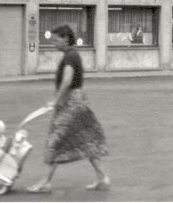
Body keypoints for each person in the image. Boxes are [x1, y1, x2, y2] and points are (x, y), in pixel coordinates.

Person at [26, 25, 110, 193]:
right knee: (86, 140)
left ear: (65, 38)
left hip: (70, 103)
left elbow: (67, 81)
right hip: (77, 102)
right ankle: (103, 178)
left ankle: (46, 181)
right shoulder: (71, 55)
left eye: (56, 40)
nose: (54, 44)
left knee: (56, 140)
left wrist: (56, 101)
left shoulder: (70, 56)